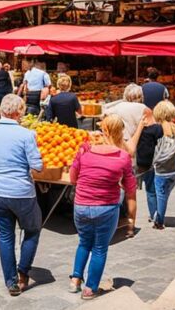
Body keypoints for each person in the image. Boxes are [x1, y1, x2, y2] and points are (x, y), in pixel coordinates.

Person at [0, 94, 44, 297]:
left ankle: (11, 282)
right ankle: (23, 272)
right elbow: (37, 166)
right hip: (21, 192)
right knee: (32, 229)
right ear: (17, 112)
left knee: (5, 235)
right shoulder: (26, 135)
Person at [68, 114, 137, 299]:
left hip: (81, 205)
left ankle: (75, 280)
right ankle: (90, 289)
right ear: (121, 132)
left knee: (84, 242)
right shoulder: (123, 157)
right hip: (106, 207)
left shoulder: (84, 150)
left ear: (103, 130)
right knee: (99, 248)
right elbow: (131, 187)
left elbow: (73, 178)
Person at [147, 101, 175, 230]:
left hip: (162, 171)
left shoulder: (157, 129)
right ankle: (155, 215)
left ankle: (159, 221)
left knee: (161, 195)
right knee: (164, 194)